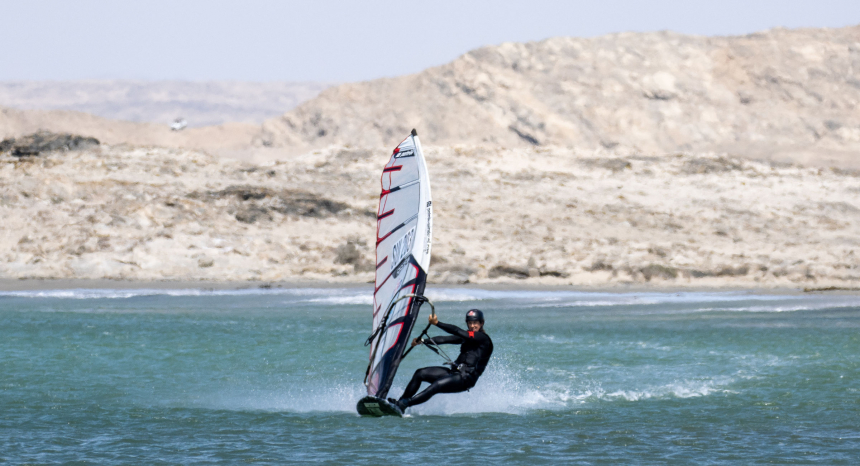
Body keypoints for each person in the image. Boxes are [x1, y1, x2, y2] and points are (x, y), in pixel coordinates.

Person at [389, 309, 493, 412]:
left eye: (475, 323)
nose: (472, 326)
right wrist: (423, 341)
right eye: (470, 323)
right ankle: (401, 401)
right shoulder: (467, 337)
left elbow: (458, 331)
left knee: (436, 385)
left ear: (482, 323)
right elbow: (445, 339)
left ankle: (404, 405)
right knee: (420, 373)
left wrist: (437, 323)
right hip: (454, 373)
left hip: (466, 379)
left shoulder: (483, 339)